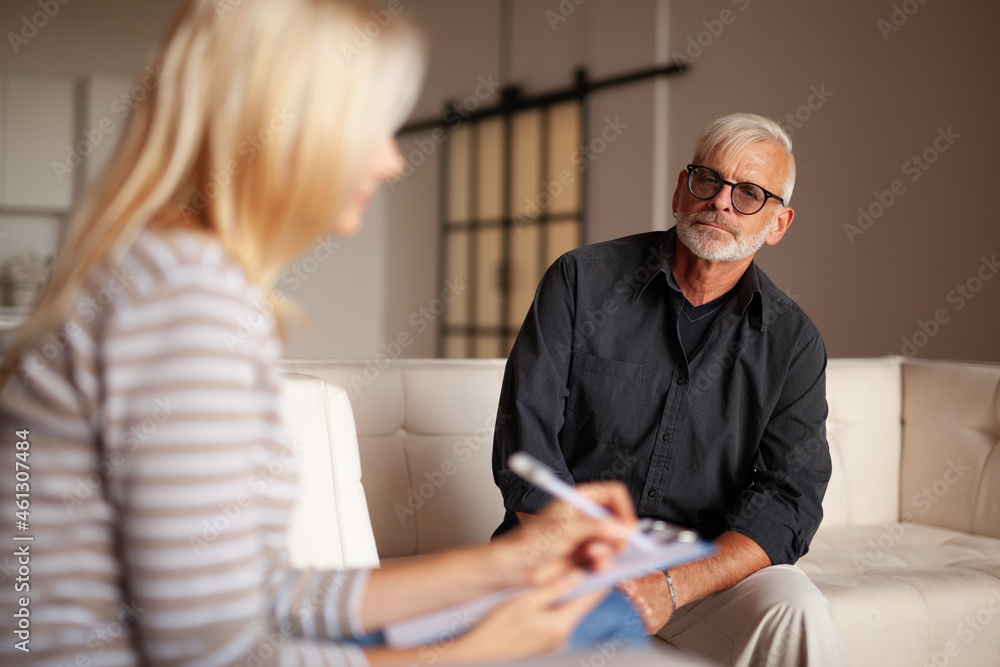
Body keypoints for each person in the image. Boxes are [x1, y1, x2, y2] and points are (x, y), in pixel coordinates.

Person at [0, 1, 645, 665]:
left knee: (598, 610)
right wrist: (474, 654)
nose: (392, 161)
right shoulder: (183, 293)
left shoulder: (167, 267)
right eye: (373, 129)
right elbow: (214, 655)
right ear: (284, 127)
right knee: (600, 622)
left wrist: (516, 559)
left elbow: (258, 595)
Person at [492, 113, 850, 666]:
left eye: (750, 193)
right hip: (562, 555)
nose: (722, 203)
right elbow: (525, 444)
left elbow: (789, 496)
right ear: (682, 188)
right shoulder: (580, 281)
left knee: (795, 605)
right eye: (709, 180)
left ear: (779, 223)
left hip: (694, 574)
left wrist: (675, 585)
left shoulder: (793, 342)